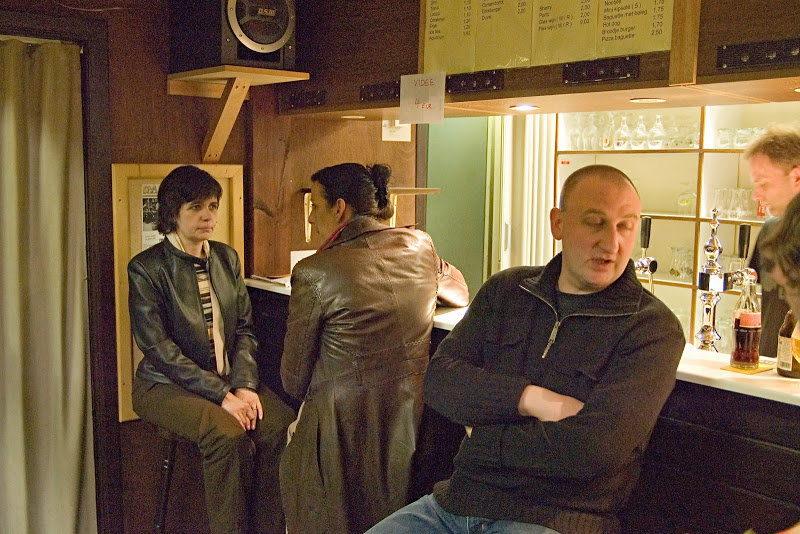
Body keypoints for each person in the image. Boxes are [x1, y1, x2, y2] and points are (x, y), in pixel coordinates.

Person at [366, 164, 685, 534]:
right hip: (455, 504)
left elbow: (592, 451)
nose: (611, 243)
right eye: (595, 223)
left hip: (556, 519)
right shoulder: (507, 290)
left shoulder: (651, 328)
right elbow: (440, 381)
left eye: (625, 226)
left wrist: (482, 435)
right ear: (558, 223)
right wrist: (532, 399)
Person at [279, 162, 469, 534]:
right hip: (407, 423)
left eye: (314, 206)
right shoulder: (420, 246)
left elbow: (293, 379)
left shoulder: (315, 271)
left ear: (339, 208)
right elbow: (460, 291)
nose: (312, 217)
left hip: (335, 433)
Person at [128, 165, 296, 534]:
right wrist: (222, 395)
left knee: (278, 425)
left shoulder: (226, 257)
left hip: (228, 380)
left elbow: (245, 330)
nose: (208, 216)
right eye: (195, 208)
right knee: (227, 435)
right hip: (164, 385)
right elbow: (158, 348)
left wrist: (245, 387)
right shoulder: (146, 268)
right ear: (172, 213)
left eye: (213, 206)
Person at [746, 124, 800, 356]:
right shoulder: (769, 231)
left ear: (796, 177)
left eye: (764, 184)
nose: (756, 195)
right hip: (769, 367)